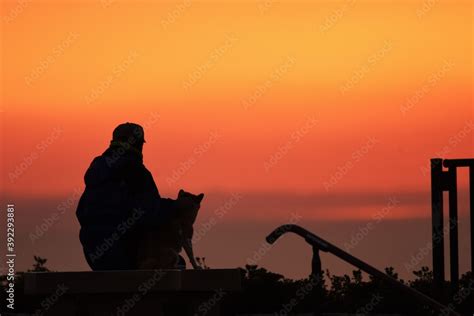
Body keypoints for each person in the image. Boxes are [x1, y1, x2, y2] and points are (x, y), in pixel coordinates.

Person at [76, 122, 183, 270]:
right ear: (139, 145)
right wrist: (174, 207)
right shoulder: (136, 171)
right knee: (176, 262)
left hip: (94, 256)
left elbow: (80, 212)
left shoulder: (97, 171)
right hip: (123, 254)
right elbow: (150, 211)